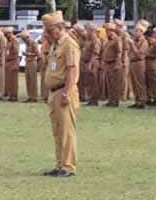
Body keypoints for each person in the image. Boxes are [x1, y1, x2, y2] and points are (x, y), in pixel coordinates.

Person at [42, 11, 80, 178]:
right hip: (54, 92)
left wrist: (66, 93)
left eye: (50, 31)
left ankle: (68, 166)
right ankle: (60, 164)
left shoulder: (69, 44)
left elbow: (72, 70)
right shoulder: (55, 45)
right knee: (57, 131)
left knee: (66, 131)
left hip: (64, 91)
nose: (48, 34)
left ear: (59, 27)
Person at [127, 23, 149, 109]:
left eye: (137, 31)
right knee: (134, 83)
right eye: (135, 31)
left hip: (139, 63)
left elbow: (139, 55)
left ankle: (142, 100)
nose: (135, 33)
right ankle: (137, 100)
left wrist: (132, 45)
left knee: (140, 82)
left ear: (142, 32)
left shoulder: (144, 42)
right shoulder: (134, 40)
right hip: (132, 62)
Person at [102, 24, 123, 107]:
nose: (106, 32)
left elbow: (119, 52)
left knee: (115, 83)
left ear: (111, 31)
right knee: (109, 83)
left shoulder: (117, 39)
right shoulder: (108, 40)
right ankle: (111, 100)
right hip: (108, 63)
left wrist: (117, 63)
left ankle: (115, 100)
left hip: (113, 63)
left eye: (107, 30)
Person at [81, 25, 101, 106]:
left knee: (93, 82)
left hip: (92, 63)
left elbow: (95, 54)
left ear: (92, 31)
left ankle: (94, 100)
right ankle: (90, 99)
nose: (87, 32)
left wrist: (90, 64)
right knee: (88, 82)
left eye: (88, 30)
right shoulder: (87, 40)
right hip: (86, 63)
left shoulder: (96, 41)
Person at [20, 30, 39, 103]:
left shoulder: (33, 42)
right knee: (28, 80)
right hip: (27, 62)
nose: (23, 40)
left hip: (32, 62)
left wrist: (28, 54)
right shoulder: (27, 44)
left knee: (33, 80)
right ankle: (29, 96)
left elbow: (37, 53)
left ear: (27, 37)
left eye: (24, 39)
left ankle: (34, 97)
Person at [4, 28, 20, 102]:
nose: (5, 35)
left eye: (6, 34)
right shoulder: (9, 41)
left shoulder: (15, 40)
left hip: (13, 62)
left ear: (9, 33)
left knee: (13, 81)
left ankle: (14, 96)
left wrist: (9, 56)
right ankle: (10, 95)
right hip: (9, 62)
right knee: (9, 80)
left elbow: (16, 51)